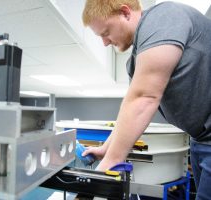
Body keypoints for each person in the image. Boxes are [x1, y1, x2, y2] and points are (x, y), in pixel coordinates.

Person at [81, 0, 211, 199]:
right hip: (201, 138)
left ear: (125, 12)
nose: (105, 42)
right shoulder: (136, 60)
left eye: (106, 33)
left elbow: (144, 99)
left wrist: (109, 165)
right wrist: (106, 150)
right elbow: (131, 110)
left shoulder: (163, 18)